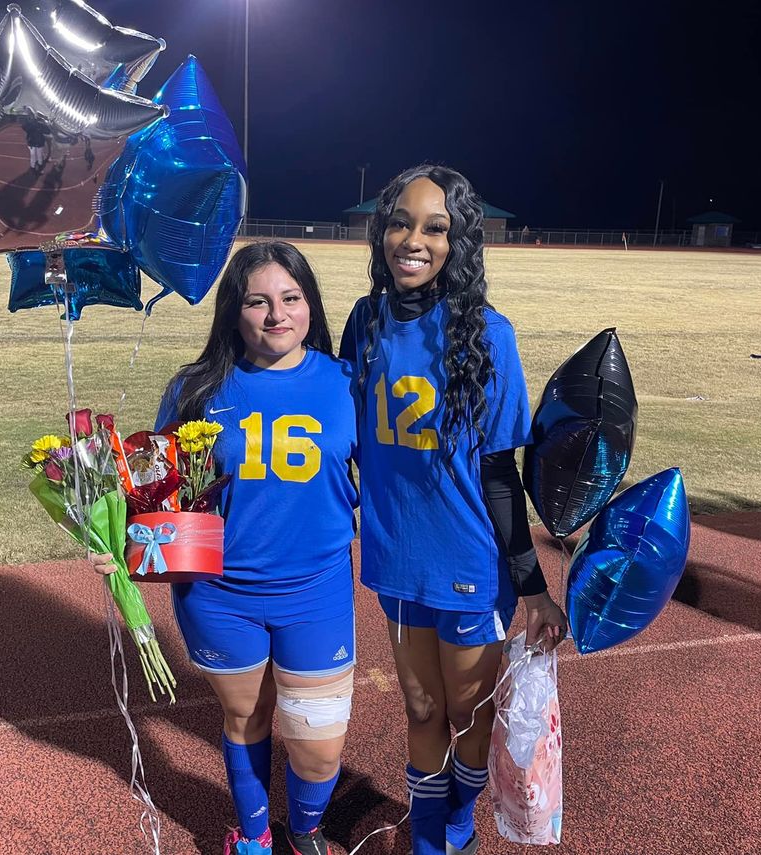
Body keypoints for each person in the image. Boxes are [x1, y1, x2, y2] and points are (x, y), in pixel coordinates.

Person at [92, 241, 358, 855]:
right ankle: (257, 835)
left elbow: (388, 480)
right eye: (257, 301)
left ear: (310, 305)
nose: (276, 316)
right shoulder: (196, 388)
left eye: (291, 299)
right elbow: (155, 494)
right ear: (232, 312)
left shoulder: (348, 383)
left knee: (318, 748)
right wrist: (121, 541)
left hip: (315, 591)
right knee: (248, 720)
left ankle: (308, 827)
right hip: (218, 594)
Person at [338, 164, 568, 855]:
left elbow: (501, 473)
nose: (413, 240)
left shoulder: (490, 334)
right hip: (396, 557)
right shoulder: (364, 320)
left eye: (435, 228)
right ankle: (433, 835)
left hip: (469, 560)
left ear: (457, 240)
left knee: (467, 712)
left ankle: (458, 821)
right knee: (422, 706)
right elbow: (337, 428)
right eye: (401, 223)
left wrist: (532, 587)